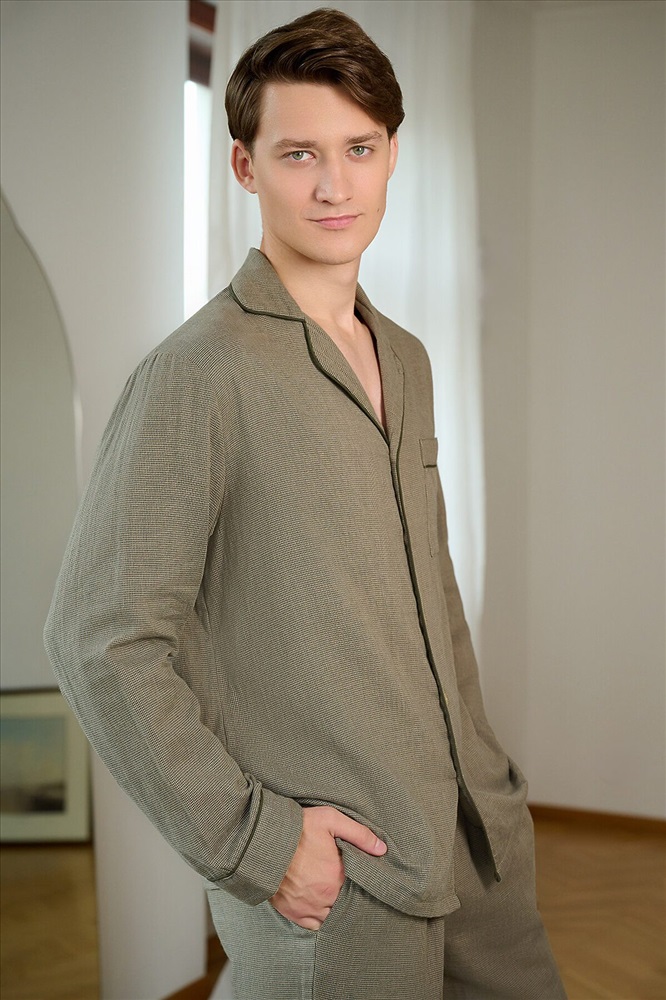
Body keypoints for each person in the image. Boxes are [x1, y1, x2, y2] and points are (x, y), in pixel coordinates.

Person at [45, 8, 566, 999]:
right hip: (343, 873)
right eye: (299, 155)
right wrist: (256, 839)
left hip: (474, 836)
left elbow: (432, 590)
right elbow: (97, 636)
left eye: (358, 149)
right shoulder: (196, 374)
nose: (334, 186)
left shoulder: (404, 356)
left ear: (392, 155)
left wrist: (490, 774)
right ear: (245, 167)